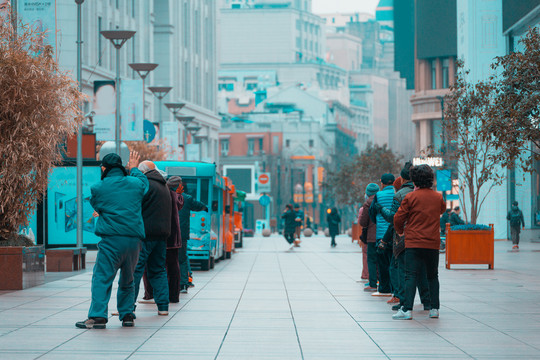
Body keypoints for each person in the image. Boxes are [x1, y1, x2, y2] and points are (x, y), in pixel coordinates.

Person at [76, 152, 148, 329]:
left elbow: (97, 205)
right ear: (121, 166)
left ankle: (98, 316)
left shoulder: (98, 188)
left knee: (102, 277)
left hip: (111, 241)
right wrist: (134, 168)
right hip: (134, 241)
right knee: (128, 279)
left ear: (104, 168)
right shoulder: (136, 184)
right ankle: (127, 315)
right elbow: (145, 185)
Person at [393, 165, 446, 320]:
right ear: (431, 179)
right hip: (432, 243)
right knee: (433, 276)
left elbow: (398, 218)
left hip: (414, 243)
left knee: (410, 276)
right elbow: (441, 210)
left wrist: (400, 231)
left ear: (414, 180)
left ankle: (407, 309)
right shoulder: (438, 197)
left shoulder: (410, 198)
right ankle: (434, 309)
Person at [378, 162, 431, 311]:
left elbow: (394, 219)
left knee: (403, 270)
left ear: (402, 179)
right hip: (424, 237)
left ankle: (404, 302)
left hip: (404, 238)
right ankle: (427, 302)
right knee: (423, 271)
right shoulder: (427, 195)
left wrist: (381, 209)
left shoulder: (400, 195)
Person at [132, 161, 172, 316]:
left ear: (143, 172)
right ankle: (163, 306)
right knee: (158, 270)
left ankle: (129, 306)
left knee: (135, 270)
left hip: (145, 234)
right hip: (161, 235)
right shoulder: (164, 185)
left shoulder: (146, 184)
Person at [140, 176, 184, 304]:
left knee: (150, 266)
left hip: (157, 234)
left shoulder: (158, 193)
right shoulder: (176, 196)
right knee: (173, 267)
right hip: (173, 237)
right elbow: (181, 202)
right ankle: (173, 296)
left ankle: (150, 294)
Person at [177, 179, 208, 293]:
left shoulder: (166, 195)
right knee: (182, 259)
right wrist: (205, 208)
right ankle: (184, 284)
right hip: (181, 234)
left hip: (167, 234)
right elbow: (198, 205)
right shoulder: (186, 198)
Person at [369, 173, 395, 297]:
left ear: (382, 183)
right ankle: (395, 289)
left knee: (383, 263)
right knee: (394, 263)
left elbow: (372, 212)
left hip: (381, 234)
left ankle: (384, 289)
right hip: (395, 233)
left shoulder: (378, 195)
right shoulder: (398, 194)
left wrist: (379, 221)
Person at [359, 183, 380, 292]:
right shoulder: (382, 200)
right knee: (382, 260)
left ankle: (373, 284)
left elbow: (363, 222)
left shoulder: (367, 203)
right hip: (383, 234)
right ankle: (383, 282)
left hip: (372, 236)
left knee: (371, 259)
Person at [357, 207, 369, 280]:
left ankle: (366, 274)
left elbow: (361, 222)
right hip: (382, 234)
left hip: (368, 235)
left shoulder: (364, 208)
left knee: (366, 254)